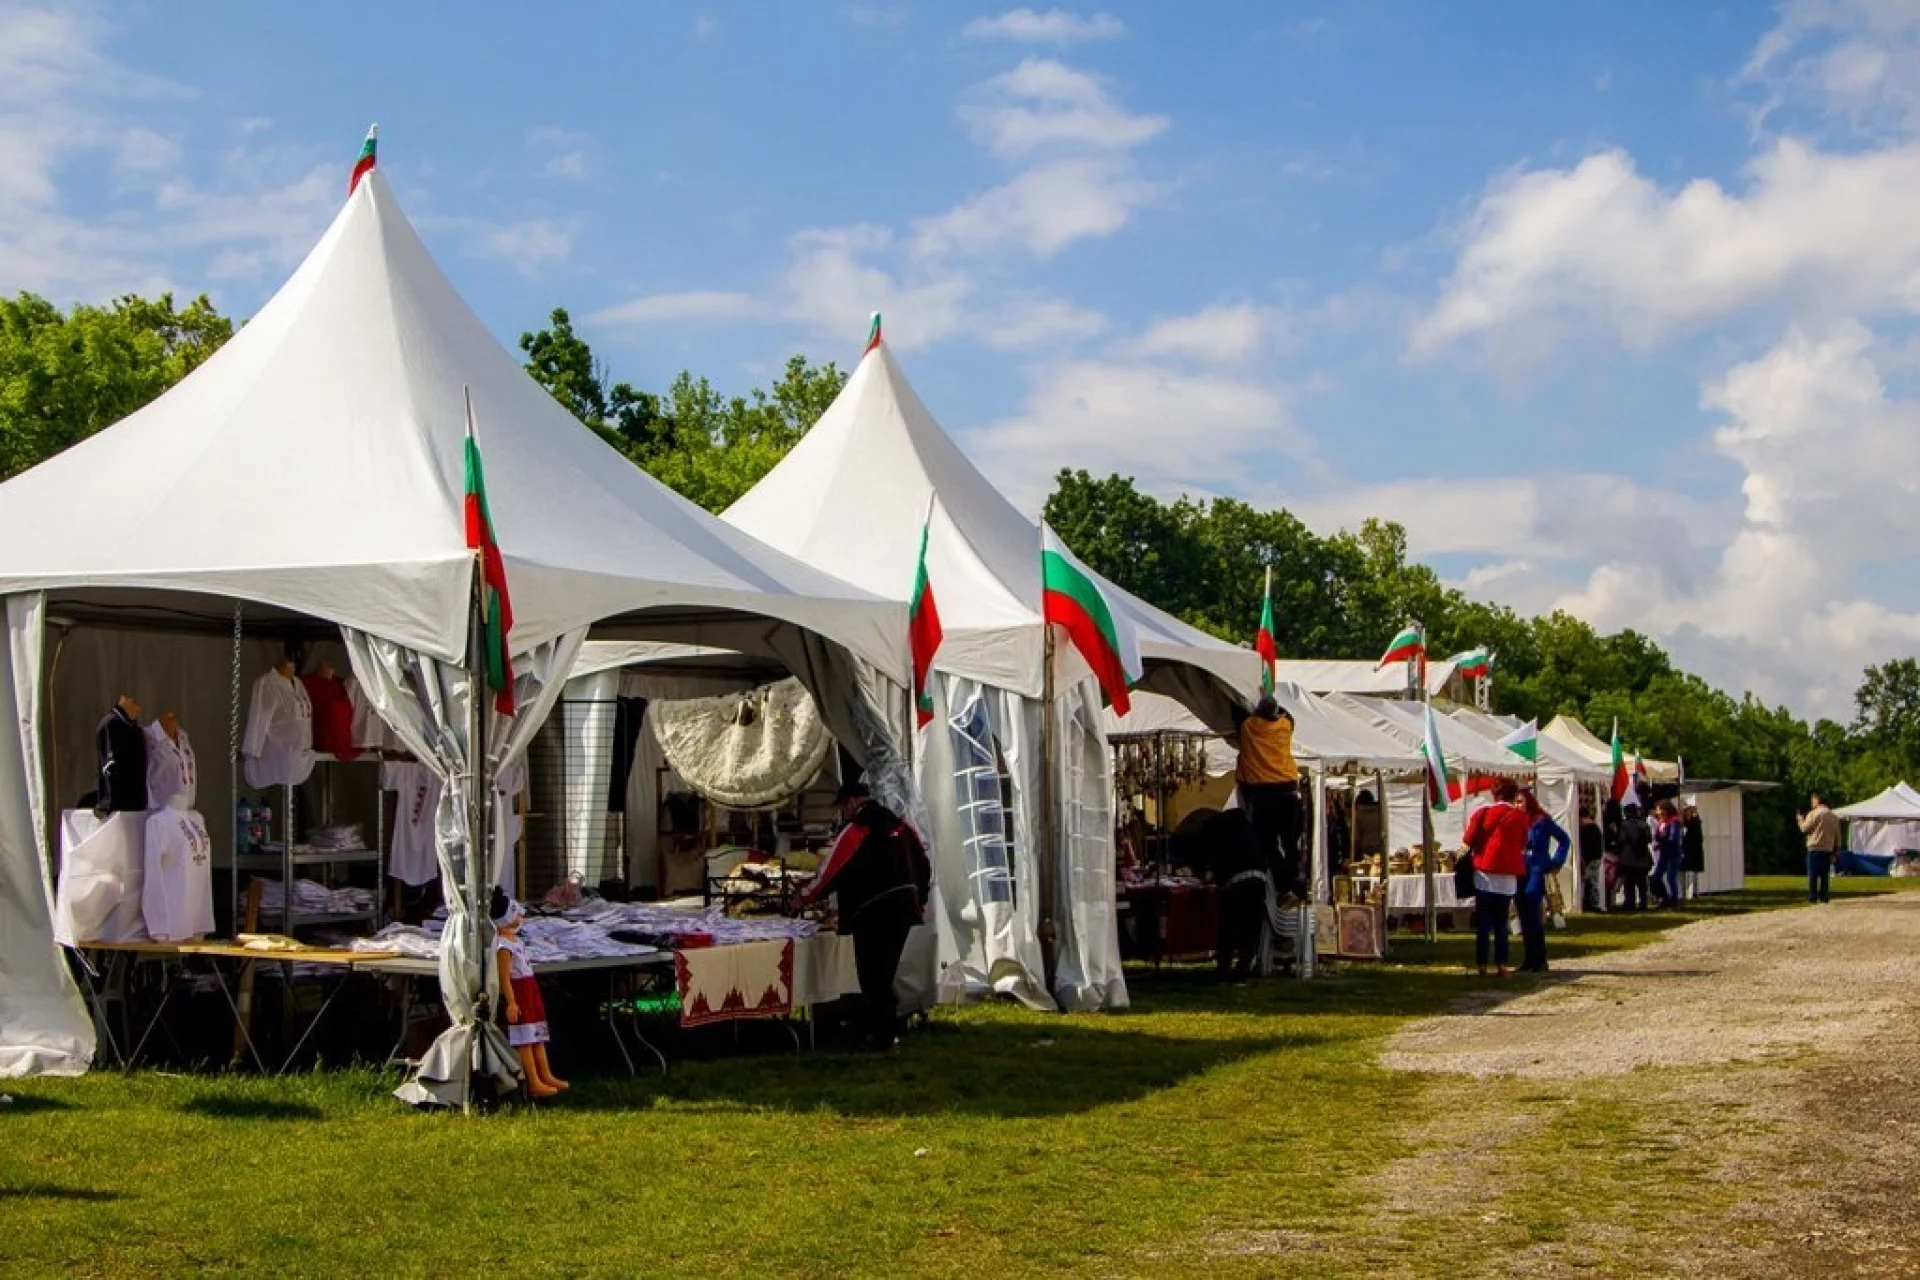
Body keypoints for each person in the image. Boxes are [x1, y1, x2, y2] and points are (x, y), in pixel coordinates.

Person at [796, 781, 932, 1049]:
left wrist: (804, 896)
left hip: (872, 910)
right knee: (885, 972)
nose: (843, 813)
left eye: (843, 807)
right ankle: (886, 1030)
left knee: (871, 976)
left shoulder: (857, 828)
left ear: (851, 803)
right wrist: (920, 899)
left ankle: (878, 1035)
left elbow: (831, 870)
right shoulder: (901, 825)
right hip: (904, 908)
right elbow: (924, 863)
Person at [1231, 696, 1303, 899]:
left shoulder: (1248, 726)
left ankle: (1282, 881)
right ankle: (1295, 880)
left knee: (1267, 844)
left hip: (1263, 794)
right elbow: (1288, 714)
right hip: (1288, 792)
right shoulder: (1285, 725)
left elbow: (1234, 708)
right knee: (1290, 843)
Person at [1462, 779, 1531, 977]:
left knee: (1483, 923)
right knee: (1501, 923)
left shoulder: (1482, 813)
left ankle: (1482, 964)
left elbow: (1467, 839)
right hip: (1508, 874)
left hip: (1484, 872)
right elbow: (1523, 843)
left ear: (1494, 794)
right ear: (1514, 795)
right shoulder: (1520, 817)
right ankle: (1502, 964)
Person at [1517, 790, 1571, 973]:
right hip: (1519, 868)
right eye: (1515, 802)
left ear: (1528, 802)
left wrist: (1556, 862)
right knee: (1522, 912)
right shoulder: (1515, 821)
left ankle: (1540, 959)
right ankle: (1528, 958)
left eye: (1520, 801)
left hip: (1537, 867)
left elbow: (1564, 840)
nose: (1517, 805)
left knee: (1533, 910)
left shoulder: (1541, 821)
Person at [1798, 793, 1841, 905]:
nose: (1812, 802)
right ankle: (1824, 896)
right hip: (1828, 848)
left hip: (1815, 847)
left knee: (1813, 874)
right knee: (1824, 874)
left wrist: (1800, 820)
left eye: (1813, 800)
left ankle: (1812, 896)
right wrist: (1837, 848)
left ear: (1817, 800)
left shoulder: (1813, 814)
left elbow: (1804, 828)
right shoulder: (1833, 816)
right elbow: (1837, 834)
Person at [1616, 804, 1655, 911]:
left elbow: (1621, 839)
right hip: (1642, 857)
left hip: (1628, 858)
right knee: (1642, 883)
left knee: (1629, 883)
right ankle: (1643, 903)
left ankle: (1630, 903)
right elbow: (1649, 839)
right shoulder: (1644, 824)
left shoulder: (1624, 824)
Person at [1651, 801, 1684, 907]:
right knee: (1656, 877)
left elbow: (1673, 838)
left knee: (1670, 877)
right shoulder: (1661, 822)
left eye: (1659, 809)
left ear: (1665, 810)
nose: (1657, 812)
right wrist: (1660, 838)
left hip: (1673, 854)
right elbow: (1657, 837)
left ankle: (1674, 899)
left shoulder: (1674, 822)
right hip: (1664, 854)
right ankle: (1665, 898)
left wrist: (1663, 839)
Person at [1578, 814, 1605, 912]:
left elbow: (1586, 847)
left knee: (1590, 882)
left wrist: (1585, 860)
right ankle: (1592, 903)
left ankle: (1592, 904)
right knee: (1592, 882)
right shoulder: (1596, 828)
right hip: (1595, 859)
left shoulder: (1586, 830)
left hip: (1590, 860)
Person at [1680, 803, 1705, 900]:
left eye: (1689, 811)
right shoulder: (1682, 823)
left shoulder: (1696, 822)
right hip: (1685, 849)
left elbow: (1699, 836)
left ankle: (1694, 892)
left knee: (1693, 872)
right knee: (1683, 871)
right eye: (1686, 811)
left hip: (1694, 849)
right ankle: (1683, 893)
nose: (1688, 813)